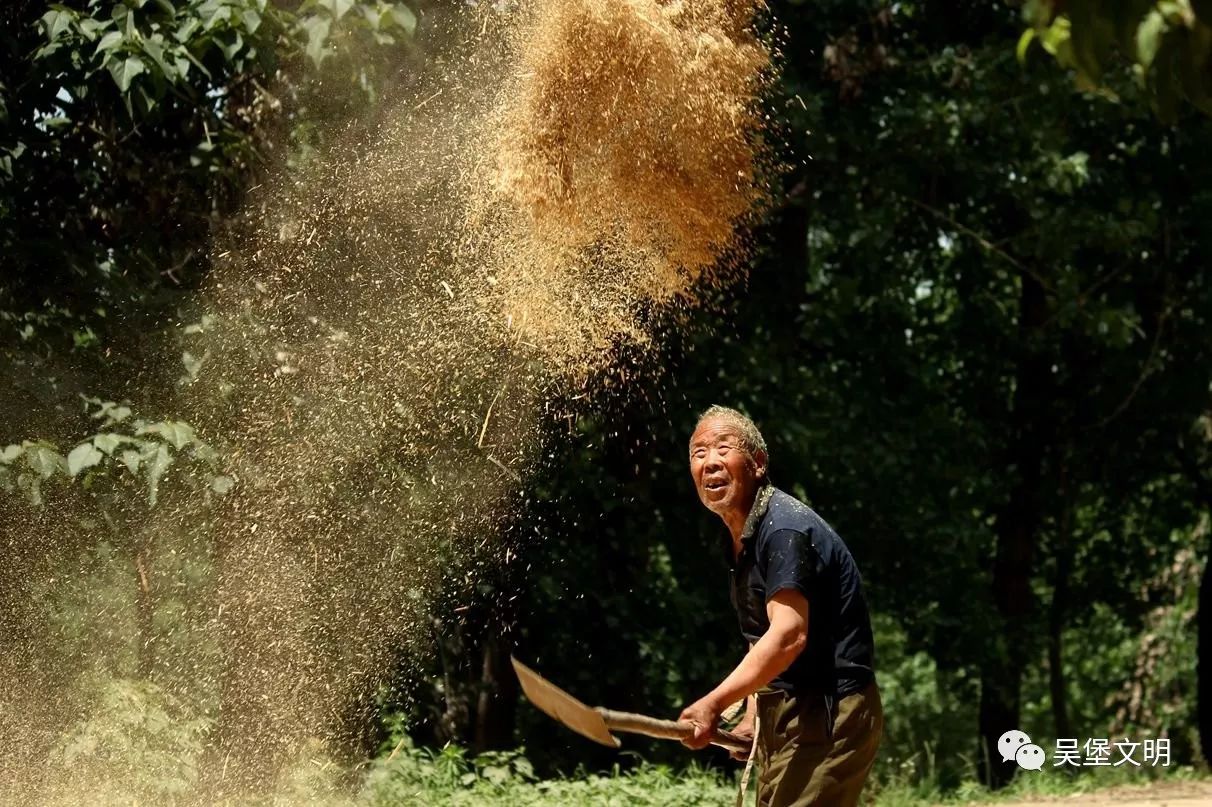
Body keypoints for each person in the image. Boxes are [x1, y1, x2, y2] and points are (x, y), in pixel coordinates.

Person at [678, 405, 883, 807]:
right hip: (788, 711)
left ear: (757, 464)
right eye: (699, 453)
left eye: (724, 448)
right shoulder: (741, 538)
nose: (711, 462)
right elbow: (763, 640)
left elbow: (789, 636)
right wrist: (753, 716)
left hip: (828, 711)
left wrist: (714, 703)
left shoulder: (784, 530)